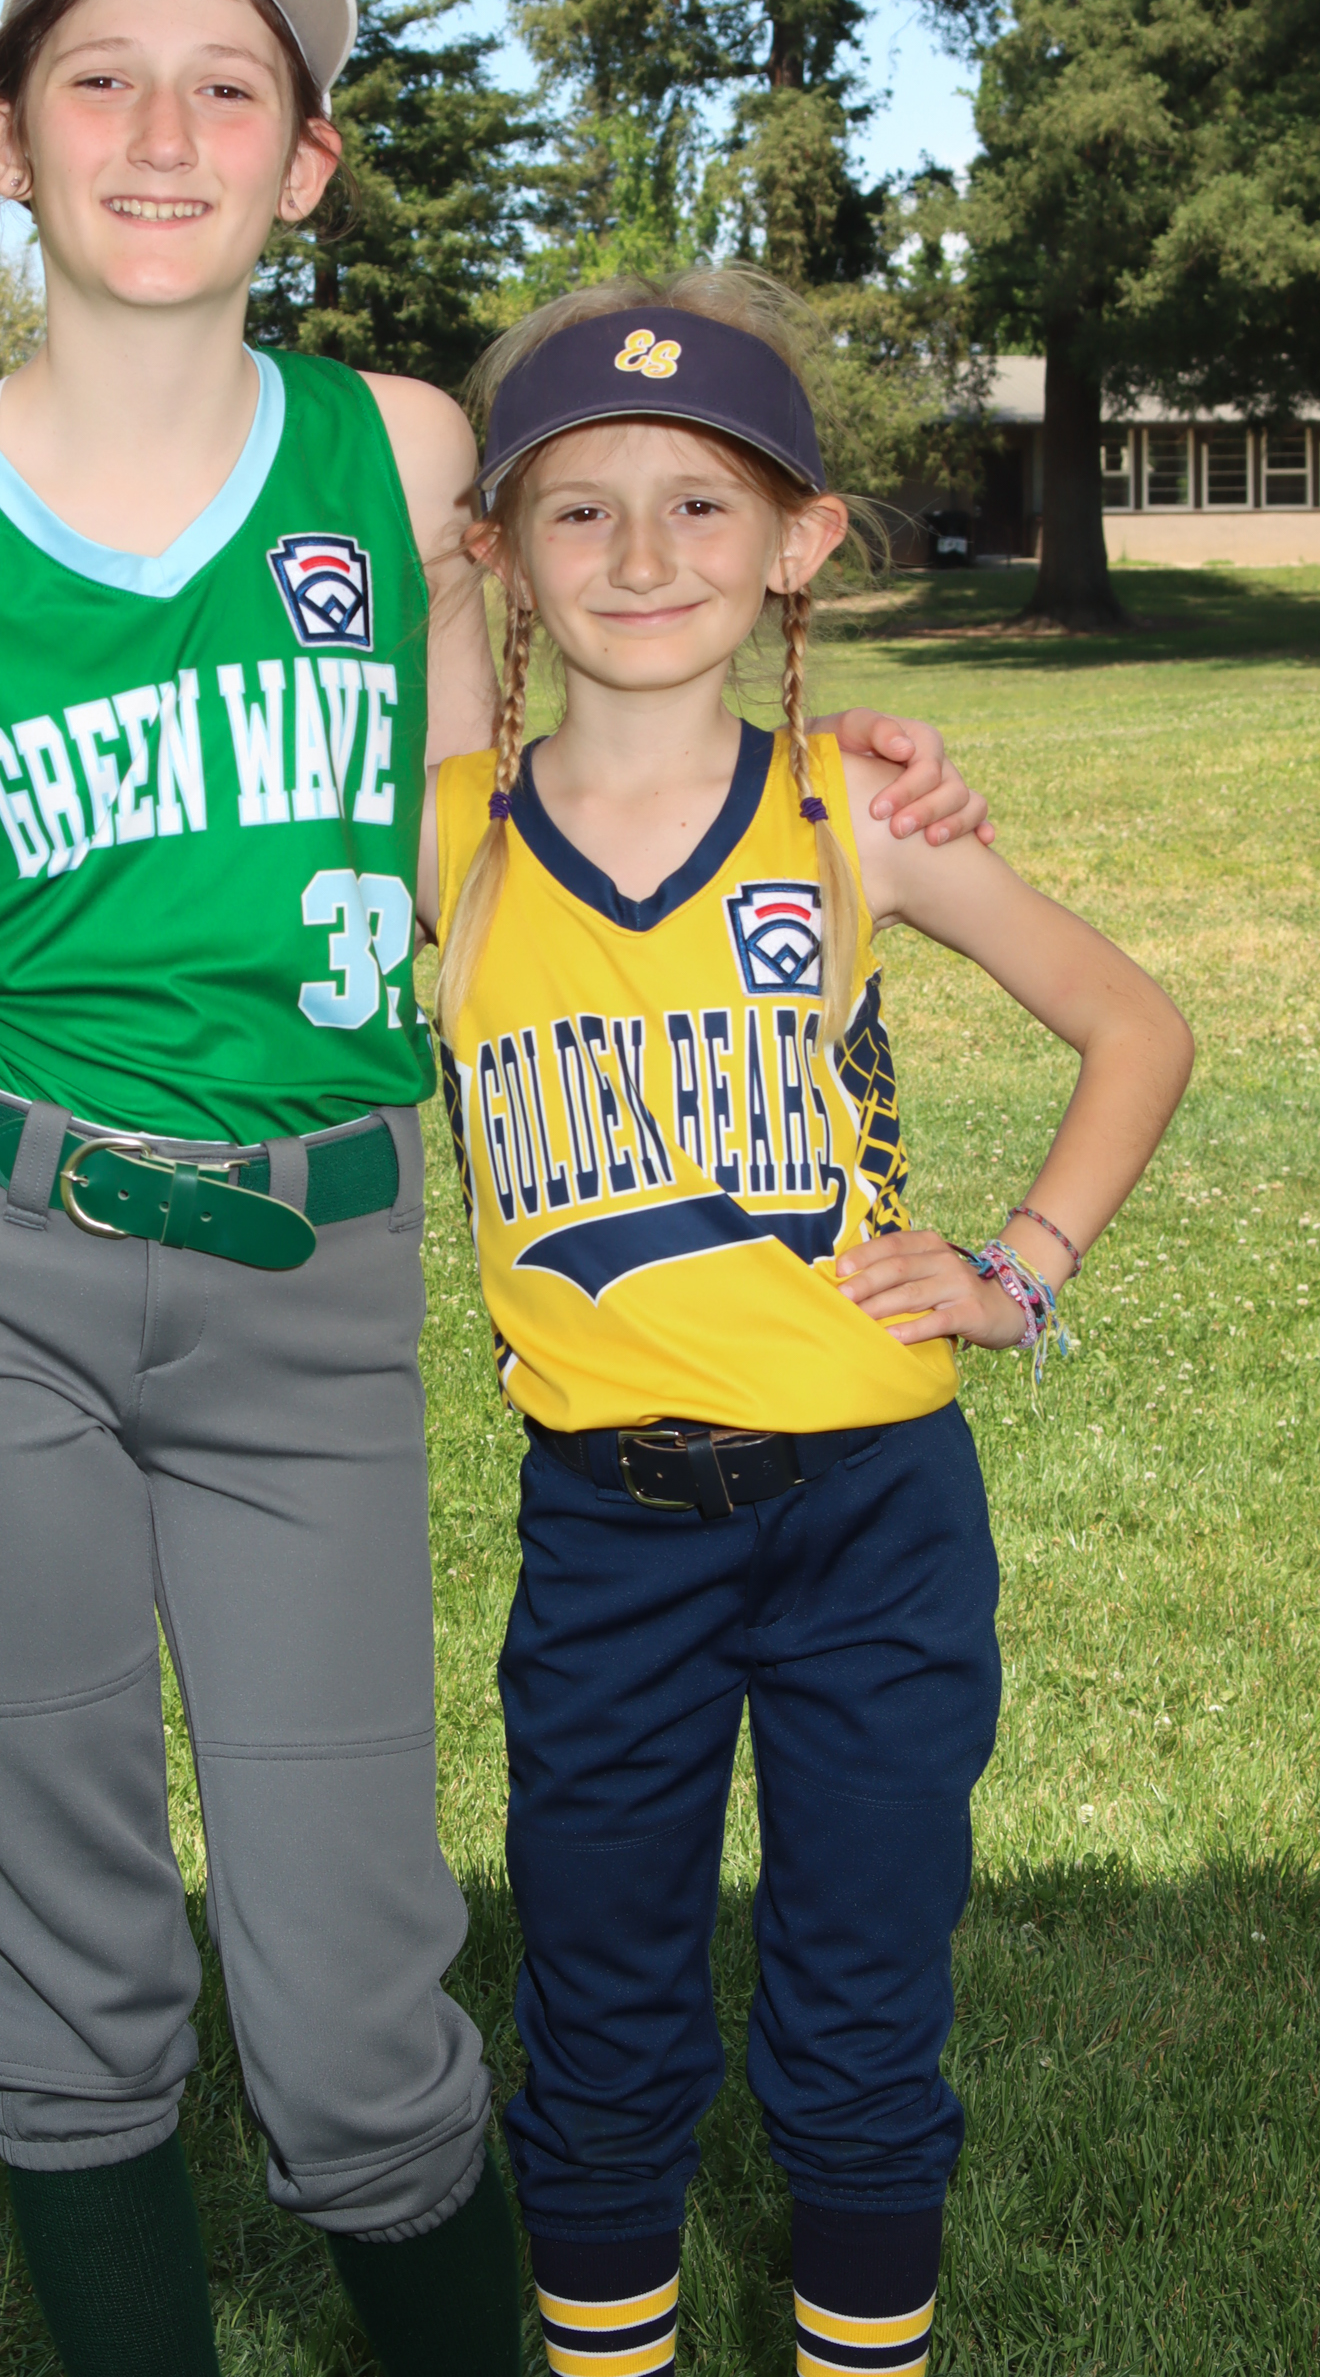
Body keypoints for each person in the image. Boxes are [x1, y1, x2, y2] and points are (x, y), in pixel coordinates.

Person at [0, 0, 987, 2377]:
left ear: (305, 166)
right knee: (69, 1957)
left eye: (230, 89)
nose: (163, 131)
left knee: (354, 1992)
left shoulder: (398, 452)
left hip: (311, 1289)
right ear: (4, 141)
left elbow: (528, 769)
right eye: (100, 81)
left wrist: (838, 764)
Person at [423, 270, 1187, 2375]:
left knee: (861, 2007)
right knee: (601, 2012)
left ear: (800, 539)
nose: (640, 554)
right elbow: (188, 957)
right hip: (609, 1527)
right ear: (499, 551)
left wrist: (1018, 1269)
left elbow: (1134, 1023)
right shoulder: (440, 837)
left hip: (876, 1517)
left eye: (701, 503)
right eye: (578, 509)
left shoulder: (855, 810)